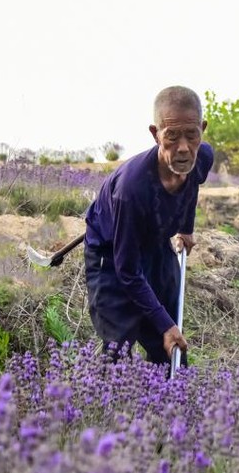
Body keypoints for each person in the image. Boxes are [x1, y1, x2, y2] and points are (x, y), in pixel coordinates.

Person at [83, 85, 215, 365]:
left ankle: (172, 404)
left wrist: (186, 228)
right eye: (171, 136)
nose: (183, 148)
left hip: (155, 243)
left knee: (171, 348)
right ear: (156, 134)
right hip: (111, 254)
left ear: (202, 129)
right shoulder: (130, 190)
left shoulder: (202, 156)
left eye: (192, 135)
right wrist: (165, 326)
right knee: (119, 351)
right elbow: (128, 270)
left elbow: (193, 185)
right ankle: (107, 403)